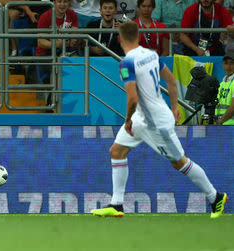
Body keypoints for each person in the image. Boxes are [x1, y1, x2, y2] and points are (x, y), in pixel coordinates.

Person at [90, 21, 228, 218]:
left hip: (154, 122)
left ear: (119, 39)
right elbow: (171, 80)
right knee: (117, 151)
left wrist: (127, 120)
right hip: (144, 117)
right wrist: (174, 107)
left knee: (179, 162)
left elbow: (132, 98)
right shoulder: (151, 55)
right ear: (138, 36)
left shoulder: (126, 63)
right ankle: (117, 204)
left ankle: (215, 197)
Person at [215, 44, 234, 124]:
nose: (228, 66)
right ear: (222, 65)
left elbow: (233, 107)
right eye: (226, 63)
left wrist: (220, 121)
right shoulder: (222, 83)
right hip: (221, 126)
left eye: (232, 63)